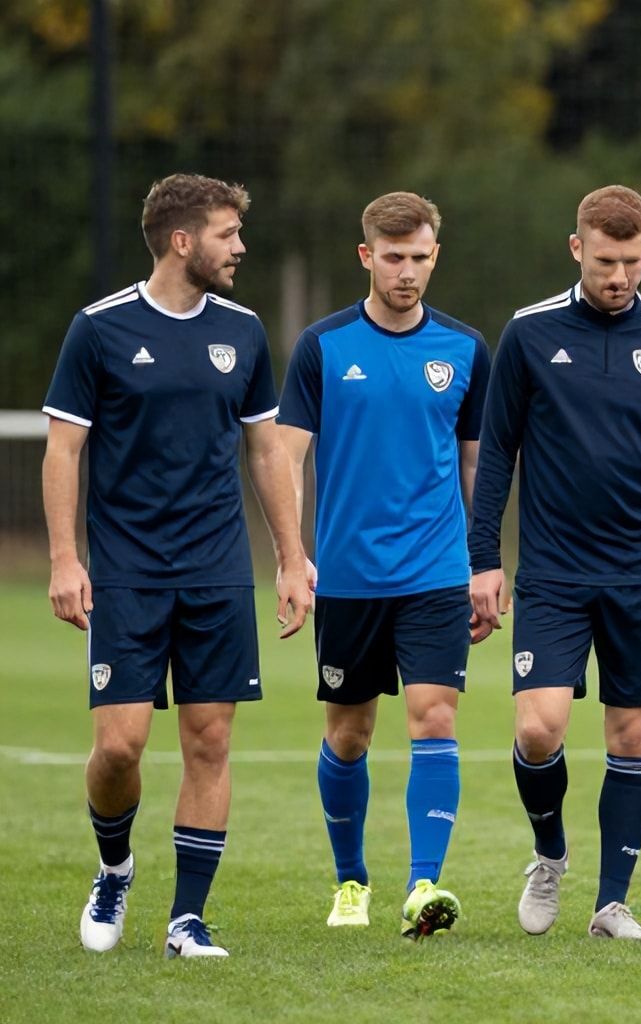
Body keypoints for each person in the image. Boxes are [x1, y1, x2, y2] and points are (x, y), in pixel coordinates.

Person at [43, 173, 311, 959]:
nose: (241, 248)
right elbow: (64, 449)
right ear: (182, 241)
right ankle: (115, 868)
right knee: (120, 747)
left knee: (209, 742)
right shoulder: (99, 329)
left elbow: (266, 449)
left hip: (218, 568)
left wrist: (293, 558)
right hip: (126, 569)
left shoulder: (245, 332)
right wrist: (65, 558)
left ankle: (186, 920)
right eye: (229, 235)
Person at [469, 185, 641, 942]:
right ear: (576, 247)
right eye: (608, 260)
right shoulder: (528, 333)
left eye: (635, 261)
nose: (621, 275)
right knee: (539, 730)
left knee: (632, 738)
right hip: (552, 572)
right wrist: (483, 558)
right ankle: (549, 852)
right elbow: (496, 460)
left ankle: (611, 903)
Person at [277, 192, 489, 938]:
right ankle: (350, 882)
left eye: (419, 257)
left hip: (434, 572)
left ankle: (424, 885)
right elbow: (285, 459)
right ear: (367, 256)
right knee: (350, 736)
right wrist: (290, 555)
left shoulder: (465, 350)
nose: (406, 271)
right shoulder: (322, 347)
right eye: (392, 257)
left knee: (435, 718)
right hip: (347, 577)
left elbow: (476, 471)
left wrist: (483, 563)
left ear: (436, 255)